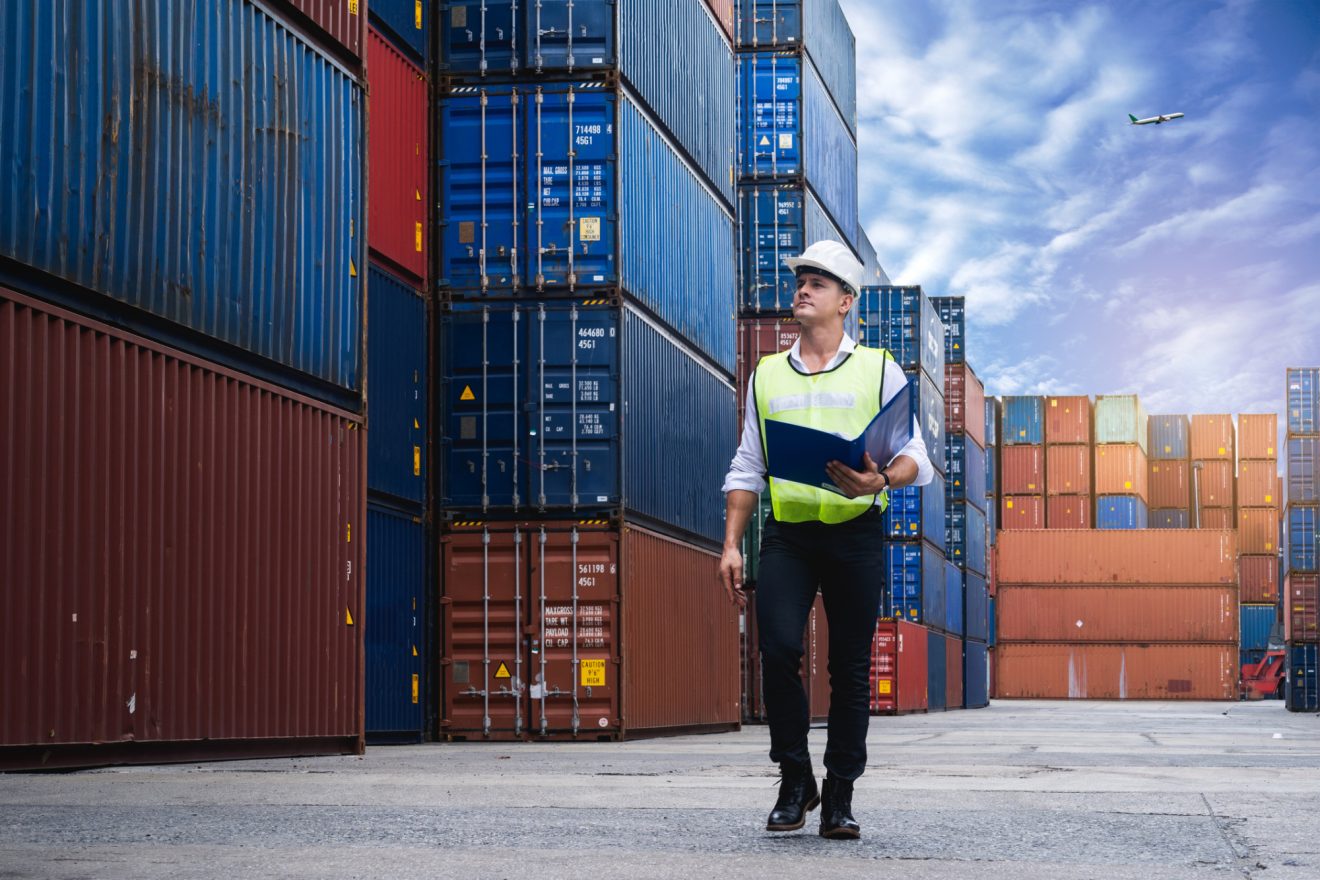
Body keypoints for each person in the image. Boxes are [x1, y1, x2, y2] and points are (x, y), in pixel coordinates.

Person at [720, 240, 934, 839]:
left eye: (818, 281)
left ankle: (840, 793)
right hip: (788, 533)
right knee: (779, 650)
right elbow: (746, 466)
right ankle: (795, 780)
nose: (804, 288)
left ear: (846, 302)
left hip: (856, 534)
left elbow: (915, 453)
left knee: (850, 668)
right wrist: (732, 544)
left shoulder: (880, 368)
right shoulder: (766, 374)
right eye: (801, 280)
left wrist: (880, 478)